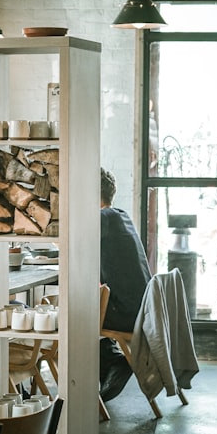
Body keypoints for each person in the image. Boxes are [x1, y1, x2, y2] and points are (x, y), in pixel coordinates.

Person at [99, 167, 152, 401]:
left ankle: (114, 362)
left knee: (71, 317)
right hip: (141, 310)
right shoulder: (118, 215)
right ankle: (110, 363)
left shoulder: (101, 218)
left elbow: (73, 247)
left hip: (128, 315)